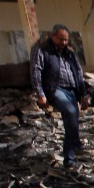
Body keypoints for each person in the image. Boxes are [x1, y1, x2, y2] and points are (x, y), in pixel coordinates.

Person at [30, 24, 89, 167]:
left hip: (72, 90)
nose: (63, 42)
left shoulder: (69, 52)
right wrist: (40, 94)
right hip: (56, 89)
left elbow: (78, 72)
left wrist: (83, 94)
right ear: (53, 36)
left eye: (66, 40)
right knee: (70, 111)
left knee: (71, 123)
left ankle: (69, 159)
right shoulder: (42, 50)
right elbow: (36, 71)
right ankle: (75, 144)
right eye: (61, 39)